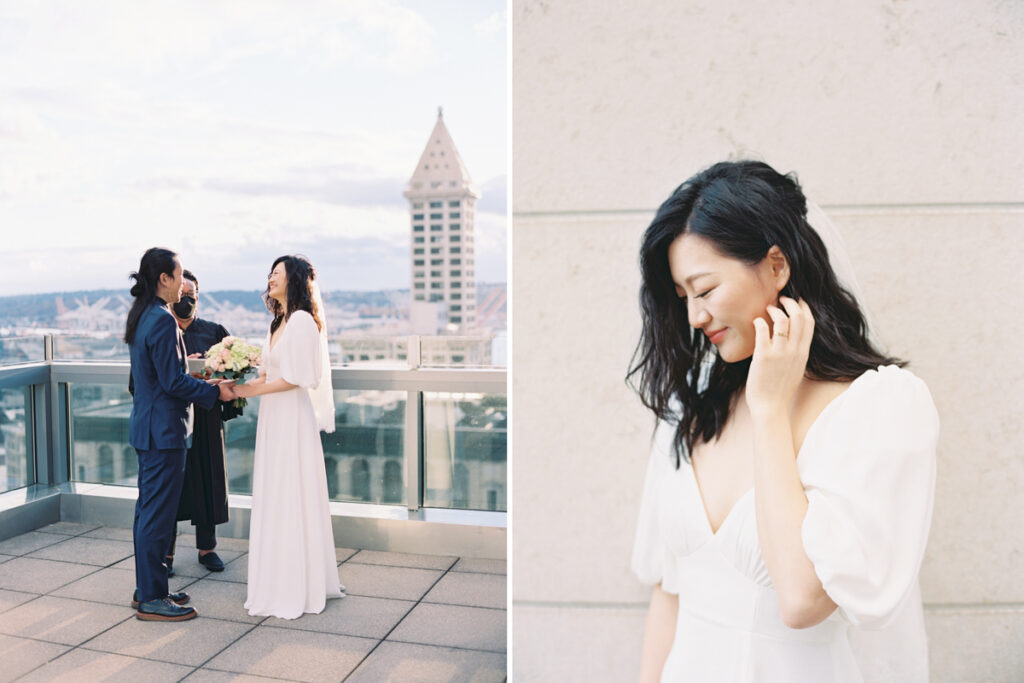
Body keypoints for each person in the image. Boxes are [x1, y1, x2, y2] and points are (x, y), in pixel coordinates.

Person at [627, 161, 938, 682]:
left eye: (704, 291)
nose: (694, 318)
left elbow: (799, 599)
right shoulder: (694, 407)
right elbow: (670, 589)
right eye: (683, 300)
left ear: (776, 265)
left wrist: (770, 410)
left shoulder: (880, 407)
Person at [124, 247, 236, 621]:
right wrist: (212, 391)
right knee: (156, 517)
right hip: (164, 434)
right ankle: (154, 599)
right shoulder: (162, 320)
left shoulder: (143, 315)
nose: (183, 282)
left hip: (148, 430)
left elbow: (158, 377)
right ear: (164, 280)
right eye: (179, 274)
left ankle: (149, 589)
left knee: (148, 514)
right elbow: (172, 381)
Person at [233, 254, 344, 619]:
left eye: (277, 273)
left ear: (293, 279)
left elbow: (296, 378)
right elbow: (267, 374)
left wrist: (250, 394)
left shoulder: (301, 322)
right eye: (269, 272)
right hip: (272, 418)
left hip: (292, 417)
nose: (270, 278)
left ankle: (297, 584)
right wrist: (233, 383)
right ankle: (277, 579)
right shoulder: (277, 322)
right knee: (275, 492)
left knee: (291, 491)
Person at [166, 269, 241, 574]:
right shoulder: (163, 333)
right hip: (173, 420)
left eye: (191, 295)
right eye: (180, 295)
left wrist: (212, 374)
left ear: (199, 295)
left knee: (208, 480)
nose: (186, 300)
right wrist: (185, 374)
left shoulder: (215, 332)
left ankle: (207, 548)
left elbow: (235, 374)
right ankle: (165, 554)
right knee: (172, 486)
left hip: (207, 418)